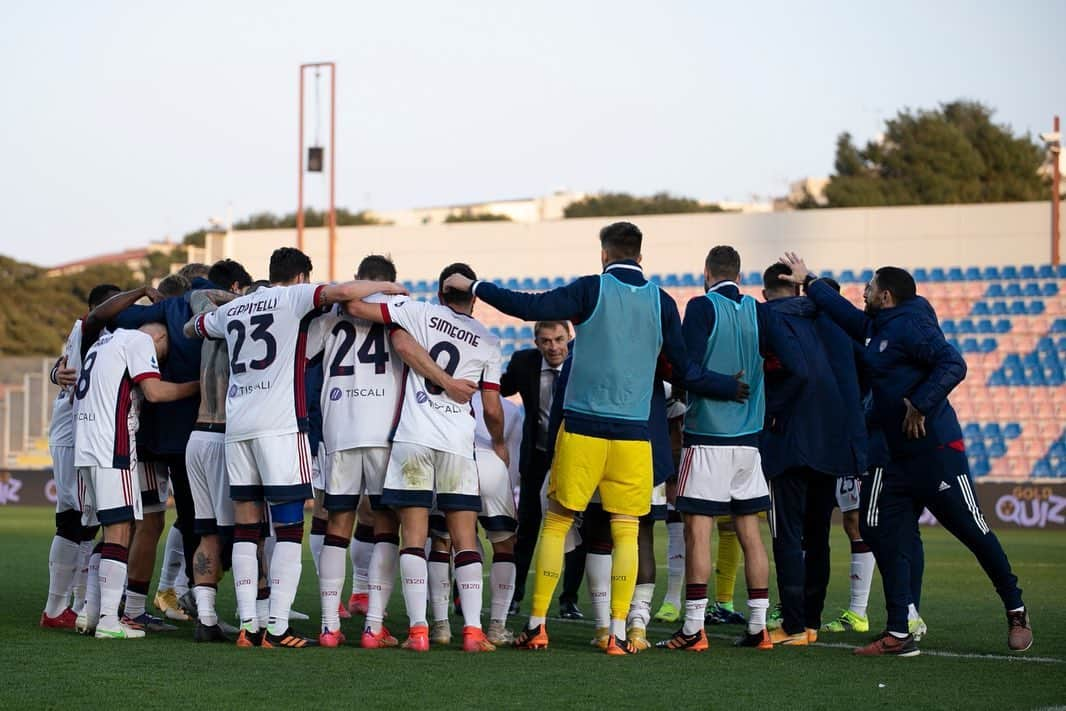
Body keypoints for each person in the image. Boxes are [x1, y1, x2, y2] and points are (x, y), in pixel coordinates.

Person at [442, 222, 748, 654]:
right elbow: (684, 370)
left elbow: (528, 306)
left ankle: (537, 626)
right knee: (626, 532)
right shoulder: (661, 300)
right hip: (634, 435)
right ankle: (618, 633)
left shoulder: (591, 289)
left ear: (604, 254)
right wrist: (727, 386)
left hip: (583, 428)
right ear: (641, 256)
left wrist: (475, 285)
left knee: (557, 523)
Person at [779, 253, 1033, 655]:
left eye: (870, 286)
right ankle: (900, 628)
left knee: (972, 530)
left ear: (886, 296)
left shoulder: (912, 325)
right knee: (876, 528)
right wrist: (810, 280)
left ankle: (1015, 608)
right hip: (895, 455)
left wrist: (920, 402)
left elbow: (953, 363)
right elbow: (847, 316)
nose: (863, 291)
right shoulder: (880, 325)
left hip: (935, 451)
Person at [187, 246, 408, 649]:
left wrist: (233, 302)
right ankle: (276, 628)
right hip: (279, 427)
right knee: (288, 528)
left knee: (245, 527)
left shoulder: (237, 309)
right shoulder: (293, 298)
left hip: (237, 428)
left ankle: (248, 628)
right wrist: (389, 285)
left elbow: (194, 328)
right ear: (303, 277)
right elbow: (340, 293)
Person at [308, 254, 476, 649]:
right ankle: (373, 627)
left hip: (338, 427)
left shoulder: (331, 312)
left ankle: (329, 627)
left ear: (357, 278)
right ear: (392, 281)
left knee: (337, 526)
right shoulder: (403, 308)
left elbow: (310, 354)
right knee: (386, 527)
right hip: (386, 431)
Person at [344, 262, 506, 654]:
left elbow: (354, 307)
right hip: (456, 443)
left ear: (439, 293)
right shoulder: (488, 340)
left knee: (413, 538)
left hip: (413, 439)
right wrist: (499, 442)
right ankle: (471, 631)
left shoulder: (419, 312)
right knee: (465, 538)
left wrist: (388, 290)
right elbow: (491, 407)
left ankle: (419, 631)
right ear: (475, 296)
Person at [660, 245, 806, 652]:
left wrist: (722, 385)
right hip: (749, 442)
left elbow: (686, 368)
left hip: (708, 438)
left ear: (707, 272)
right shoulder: (760, 311)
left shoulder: (703, 307)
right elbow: (796, 366)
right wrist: (765, 405)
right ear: (740, 275)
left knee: (697, 533)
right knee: (750, 535)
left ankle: (692, 629)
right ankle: (759, 628)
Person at [113, 260, 250, 620]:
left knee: (150, 522)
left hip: (149, 435)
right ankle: (218, 602)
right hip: (208, 431)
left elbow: (108, 320)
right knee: (220, 522)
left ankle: (112, 604)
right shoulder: (230, 305)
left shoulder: (165, 311)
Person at [759, 264, 866, 645]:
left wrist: (772, 414)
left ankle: (792, 623)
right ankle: (810, 623)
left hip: (789, 440)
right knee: (818, 534)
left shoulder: (773, 318)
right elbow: (865, 371)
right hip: (832, 443)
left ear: (767, 291)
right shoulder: (835, 324)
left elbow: (790, 374)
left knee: (787, 534)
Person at [74, 323, 200, 639]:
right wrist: (198, 386)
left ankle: (90, 612)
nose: (158, 361)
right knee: (121, 529)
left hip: (85, 445)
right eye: (162, 354)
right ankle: (107, 622)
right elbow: (155, 392)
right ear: (158, 338)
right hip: (111, 445)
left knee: (107, 529)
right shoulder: (141, 342)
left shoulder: (102, 344)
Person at [40, 284, 120, 630]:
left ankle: (73, 603)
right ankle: (59, 608)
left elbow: (61, 368)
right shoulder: (90, 329)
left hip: (71, 431)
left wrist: (55, 373)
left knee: (81, 521)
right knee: (76, 521)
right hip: (74, 433)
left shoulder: (88, 335)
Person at [499, 321, 584, 619]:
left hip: (575, 457)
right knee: (528, 528)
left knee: (576, 529)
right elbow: (500, 387)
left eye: (559, 339)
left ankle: (569, 600)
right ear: (536, 342)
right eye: (546, 341)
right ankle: (514, 595)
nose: (553, 347)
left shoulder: (584, 362)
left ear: (569, 338)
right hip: (536, 457)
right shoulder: (523, 362)